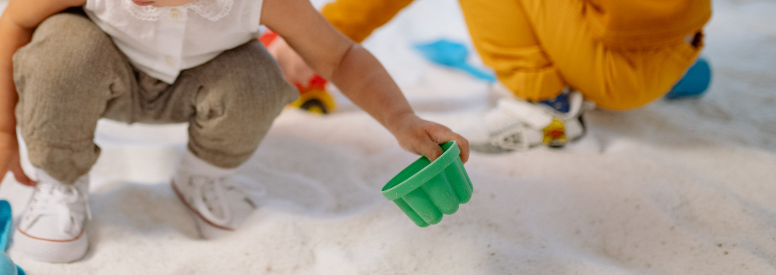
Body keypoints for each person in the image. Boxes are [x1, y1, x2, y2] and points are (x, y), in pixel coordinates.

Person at [0, 0, 471, 263]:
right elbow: (14, 23)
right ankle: (61, 180)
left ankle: (203, 176)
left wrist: (402, 120)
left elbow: (339, 55)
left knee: (257, 75)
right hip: (98, 76)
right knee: (60, 50)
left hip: (197, 86)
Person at [268, 0, 711, 153]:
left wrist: (324, 39)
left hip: (615, 60)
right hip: (675, 44)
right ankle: (655, 78)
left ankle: (547, 105)